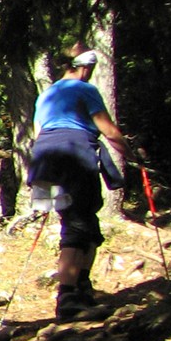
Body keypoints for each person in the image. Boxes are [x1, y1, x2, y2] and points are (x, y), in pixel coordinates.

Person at [27, 49, 130, 322]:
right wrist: (130, 153)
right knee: (78, 222)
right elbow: (107, 128)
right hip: (73, 154)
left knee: (83, 224)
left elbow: (38, 132)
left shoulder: (46, 94)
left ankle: (82, 289)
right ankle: (69, 295)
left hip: (43, 162)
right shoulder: (85, 89)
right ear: (86, 68)